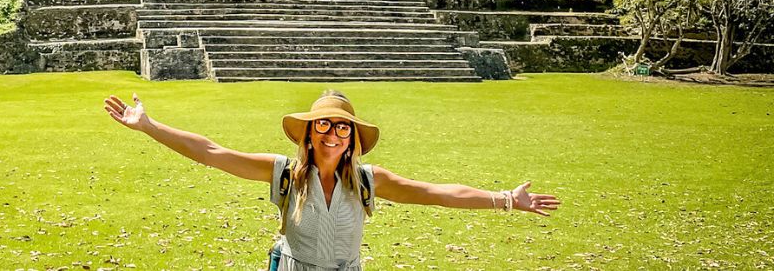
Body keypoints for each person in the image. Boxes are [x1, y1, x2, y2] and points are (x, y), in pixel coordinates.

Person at [104, 90, 560, 270]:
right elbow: (212, 153)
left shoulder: (367, 180)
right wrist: (149, 126)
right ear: (308, 132)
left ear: (353, 138)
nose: (332, 133)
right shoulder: (283, 173)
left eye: (342, 127)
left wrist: (505, 200)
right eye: (322, 124)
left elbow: (436, 193)